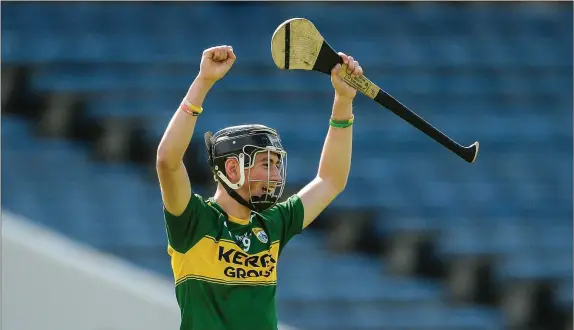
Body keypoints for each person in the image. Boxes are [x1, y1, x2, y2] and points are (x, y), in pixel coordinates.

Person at [156, 44, 363, 330]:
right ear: (232, 168)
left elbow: (331, 180)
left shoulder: (272, 225)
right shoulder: (192, 222)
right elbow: (167, 161)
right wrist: (203, 82)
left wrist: (343, 100)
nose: (277, 177)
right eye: (267, 164)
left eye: (278, 165)